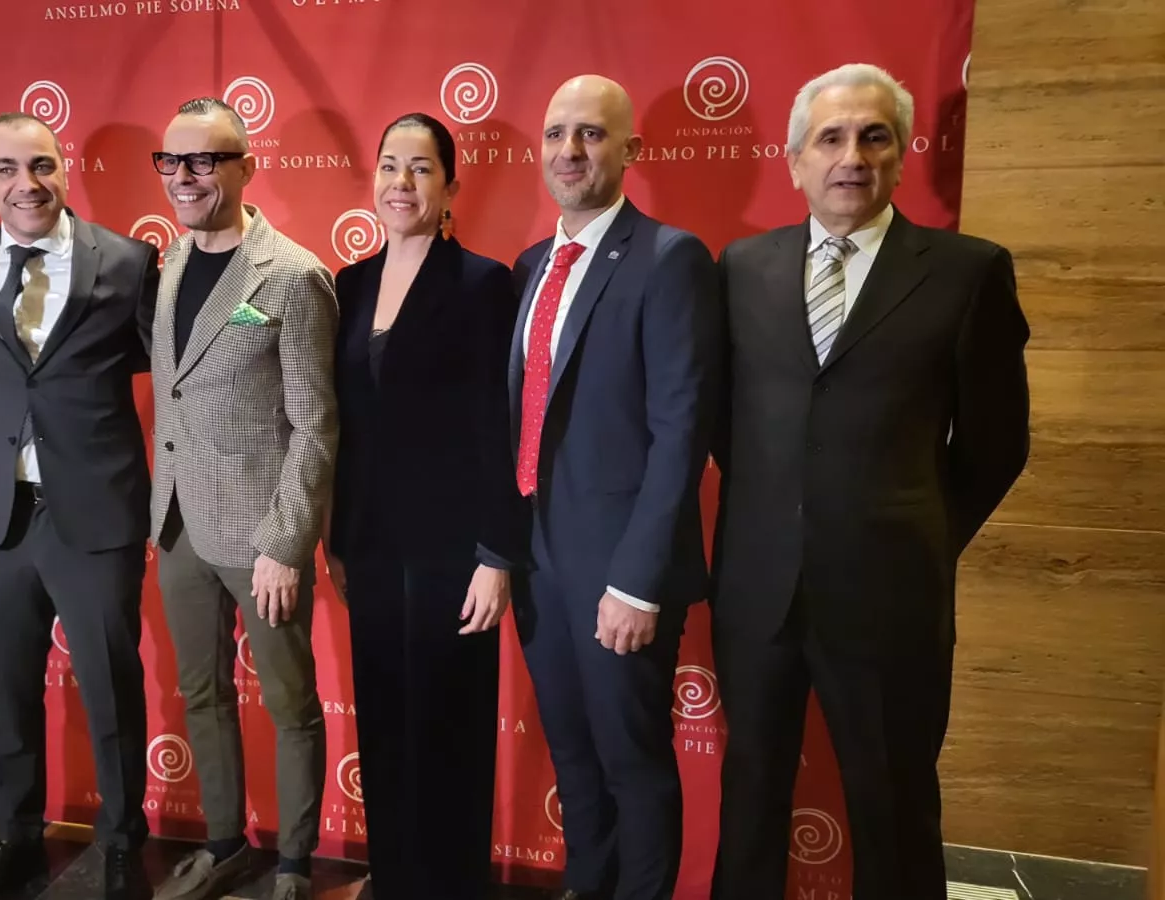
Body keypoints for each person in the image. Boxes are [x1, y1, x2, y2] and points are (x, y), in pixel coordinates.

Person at [708, 63, 1030, 900]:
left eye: (873, 136)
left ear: (899, 155)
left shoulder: (967, 272)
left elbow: (997, 445)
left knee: (893, 810)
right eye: (831, 138)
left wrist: (915, 531)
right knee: (749, 803)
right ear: (795, 161)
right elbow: (720, 422)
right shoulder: (741, 268)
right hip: (758, 590)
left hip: (892, 596)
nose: (851, 155)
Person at [509, 76, 721, 900]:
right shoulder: (534, 264)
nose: (570, 150)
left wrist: (636, 581)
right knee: (574, 755)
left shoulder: (671, 259)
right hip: (538, 560)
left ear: (629, 150)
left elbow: (681, 434)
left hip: (619, 573)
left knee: (633, 763)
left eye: (591, 134)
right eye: (557, 132)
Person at [0, 113, 159, 900]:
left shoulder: (129, 261)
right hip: (0, 515)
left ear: (64, 169)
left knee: (109, 685)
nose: (24, 184)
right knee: (7, 686)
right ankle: (16, 836)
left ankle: (125, 840)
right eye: (5, 169)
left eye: (40, 165)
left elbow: (169, 364)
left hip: (96, 512)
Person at [323, 112, 527, 900]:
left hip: (455, 552)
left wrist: (497, 554)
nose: (400, 183)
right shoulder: (351, 282)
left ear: (450, 187)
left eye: (420, 169)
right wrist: (337, 535)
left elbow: (498, 425)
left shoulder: (482, 282)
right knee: (383, 722)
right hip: (370, 545)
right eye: (388, 166)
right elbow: (346, 421)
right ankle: (396, 877)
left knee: (449, 727)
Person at [147, 96, 338, 900]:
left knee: (290, 702)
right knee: (202, 692)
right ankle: (224, 843)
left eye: (204, 161)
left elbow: (317, 426)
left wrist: (285, 543)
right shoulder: (171, 265)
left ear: (245, 167)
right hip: (178, 525)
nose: (185, 177)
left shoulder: (292, 274)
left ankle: (293, 863)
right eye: (172, 161)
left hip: (262, 538)